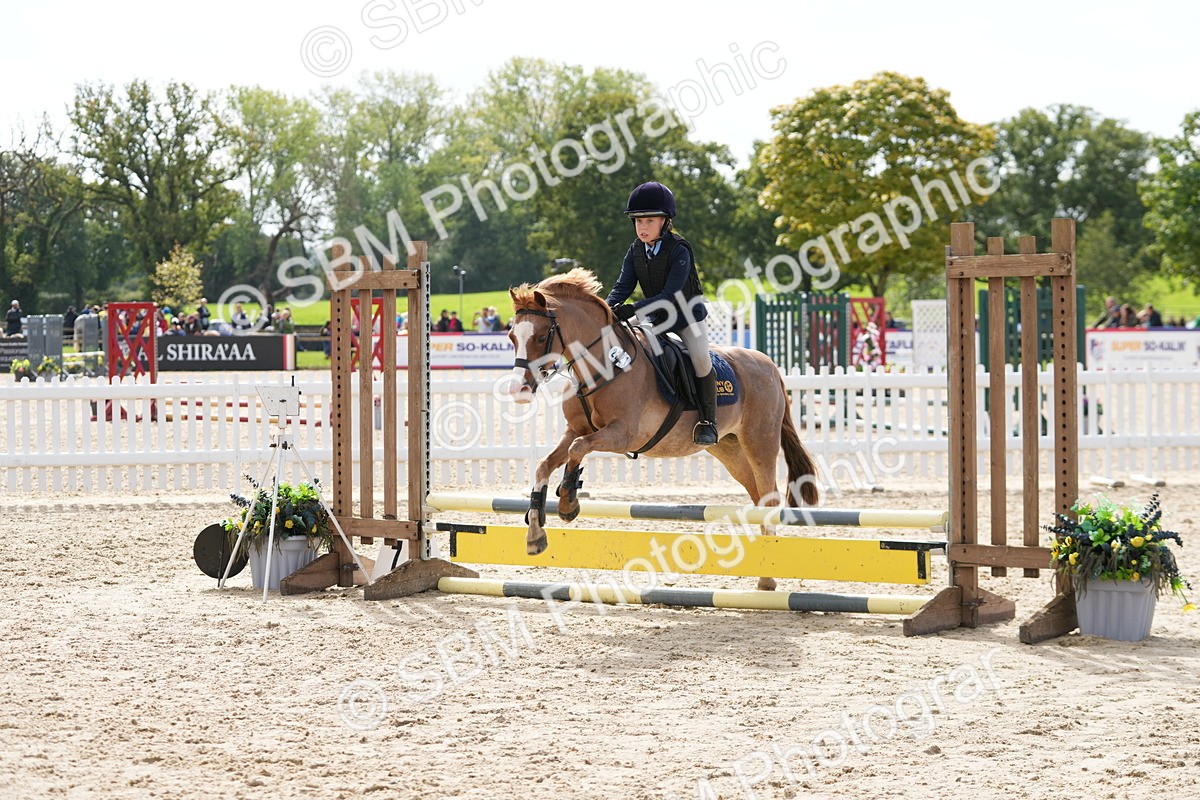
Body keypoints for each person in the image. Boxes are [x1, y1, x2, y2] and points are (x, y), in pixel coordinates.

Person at [605, 180, 718, 446]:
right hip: (656, 316)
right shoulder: (634, 250)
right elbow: (622, 287)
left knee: (701, 359)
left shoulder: (680, 249)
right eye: (637, 222)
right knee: (624, 343)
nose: (642, 227)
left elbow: (671, 294)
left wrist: (634, 308)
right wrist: (605, 308)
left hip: (686, 315)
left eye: (649, 221)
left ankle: (709, 422)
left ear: (665, 222)